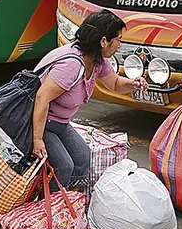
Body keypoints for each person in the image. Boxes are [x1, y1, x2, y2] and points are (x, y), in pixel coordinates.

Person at [32, 10, 148, 190]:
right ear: (103, 41)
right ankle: (52, 210)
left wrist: (133, 84)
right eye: (118, 39)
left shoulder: (97, 61)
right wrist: (37, 140)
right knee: (64, 166)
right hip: (43, 123)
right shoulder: (72, 64)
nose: (120, 45)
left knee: (83, 158)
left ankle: (71, 201)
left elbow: (115, 84)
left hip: (60, 123)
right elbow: (41, 98)